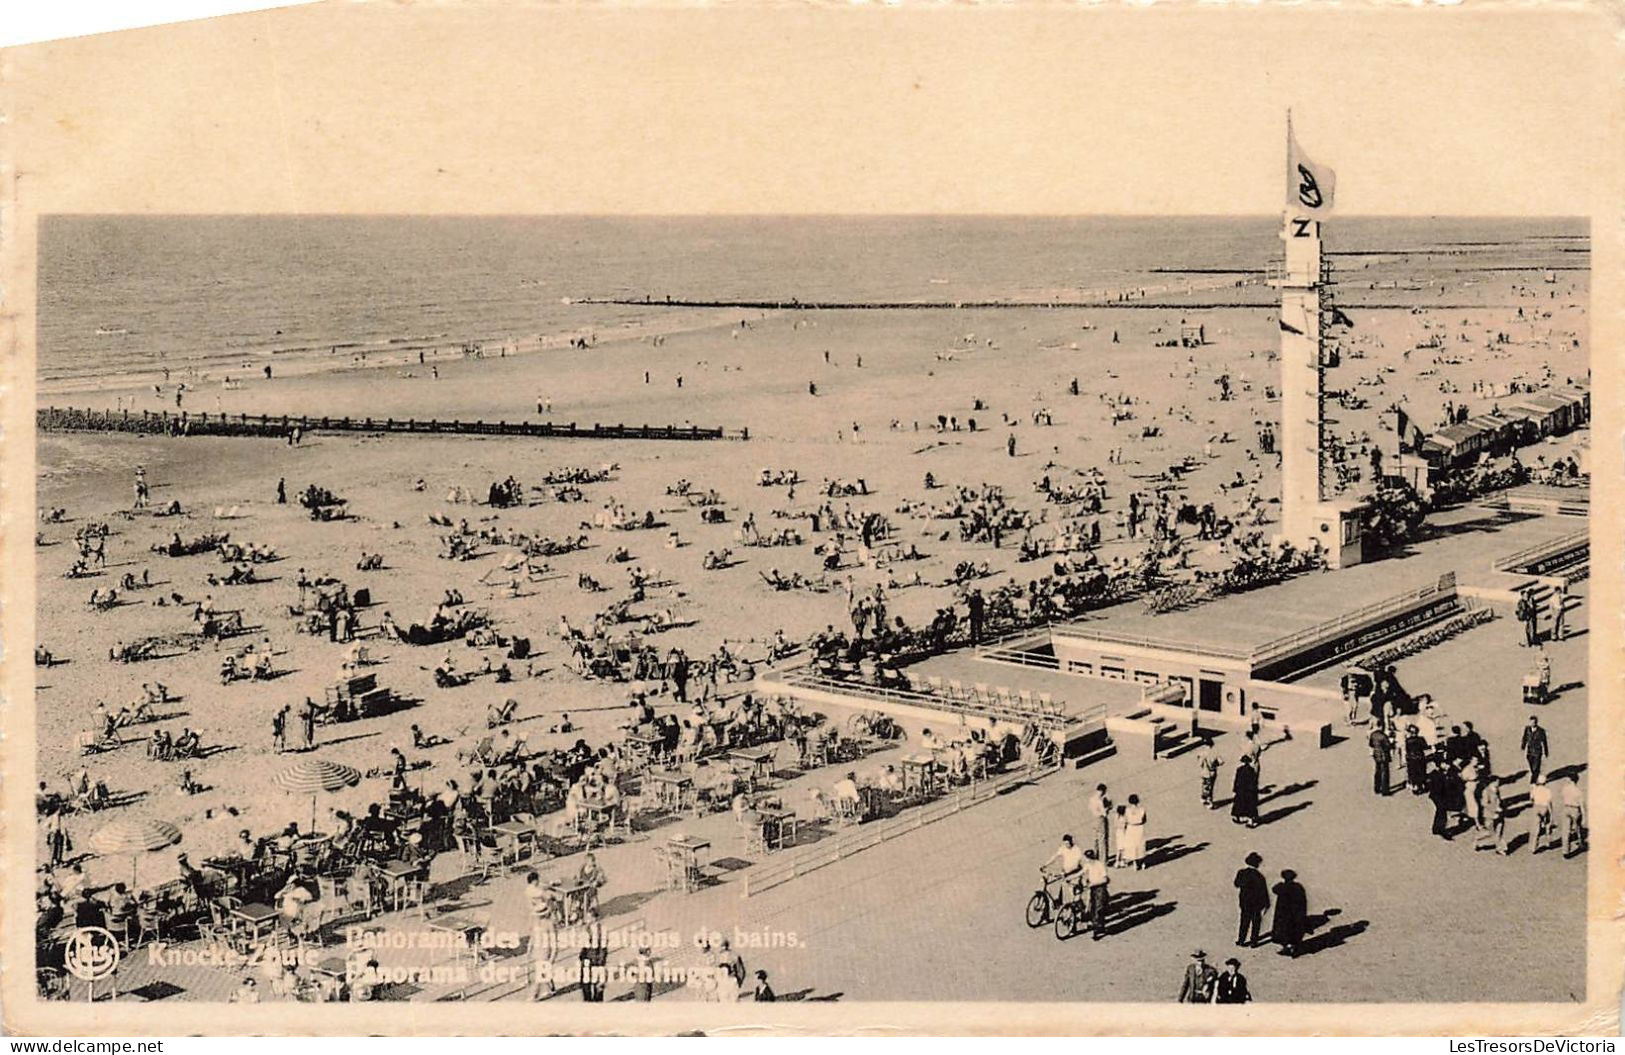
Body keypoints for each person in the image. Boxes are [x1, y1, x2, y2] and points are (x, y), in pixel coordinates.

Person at [1233, 852, 1270, 947]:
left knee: (1244, 921)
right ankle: (1254, 941)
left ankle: (1241, 940)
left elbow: (1236, 884)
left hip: (1244, 901)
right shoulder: (1259, 876)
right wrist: (1266, 903)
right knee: (1256, 922)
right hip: (1257, 903)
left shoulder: (1241, 872)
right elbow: (1264, 891)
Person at [1270, 869, 1309, 957]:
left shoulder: (1282, 887)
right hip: (1295, 914)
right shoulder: (1298, 887)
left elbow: (1274, 889)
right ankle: (1292, 947)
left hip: (1283, 915)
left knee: (1284, 932)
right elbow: (1303, 902)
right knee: (1293, 931)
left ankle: (1286, 947)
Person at [1042, 834, 1085, 906]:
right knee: (1062, 887)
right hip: (1066, 872)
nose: (1066, 845)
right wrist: (1045, 865)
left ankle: (1078, 908)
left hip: (1075, 873)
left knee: (1073, 893)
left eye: (1068, 843)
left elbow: (1077, 863)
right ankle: (1063, 904)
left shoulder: (1076, 849)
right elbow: (1055, 857)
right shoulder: (1063, 848)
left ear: (1071, 842)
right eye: (1065, 843)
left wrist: (1068, 872)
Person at [1081, 849, 1109, 940]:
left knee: (1098, 909)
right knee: (1093, 908)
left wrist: (1094, 883)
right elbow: (1081, 872)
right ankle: (1099, 927)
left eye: (1086, 858)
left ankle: (1096, 931)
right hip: (1093, 889)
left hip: (1100, 890)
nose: (1085, 860)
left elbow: (1105, 880)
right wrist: (1069, 878)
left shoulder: (1099, 865)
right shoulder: (1088, 864)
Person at [1475, 778, 1509, 855]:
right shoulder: (1486, 792)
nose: (1497, 784)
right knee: (1490, 832)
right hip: (1489, 815)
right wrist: (1494, 809)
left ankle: (1501, 848)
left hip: (1499, 815)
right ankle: (1478, 840)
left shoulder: (1497, 790)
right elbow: (1484, 804)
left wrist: (1503, 808)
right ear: (1490, 783)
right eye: (1495, 782)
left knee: (1499, 832)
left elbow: (1499, 801)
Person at [1559, 775, 1586, 857]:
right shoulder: (1578, 791)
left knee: (1565, 830)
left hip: (1566, 808)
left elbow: (1563, 797)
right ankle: (1580, 843)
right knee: (1578, 827)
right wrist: (1584, 815)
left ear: (1570, 780)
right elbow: (1581, 805)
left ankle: (1565, 851)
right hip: (1575, 809)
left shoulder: (1565, 789)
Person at [1230, 756, 1259, 828]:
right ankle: (1250, 821)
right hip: (1249, 791)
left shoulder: (1239, 769)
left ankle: (1237, 817)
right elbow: (1253, 782)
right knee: (1250, 806)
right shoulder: (1251, 770)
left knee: (1238, 803)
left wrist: (1235, 788)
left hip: (1241, 790)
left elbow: (1236, 780)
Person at [1120, 795, 1148, 870]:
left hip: (1131, 828)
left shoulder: (1127, 810)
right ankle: (1143, 863)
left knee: (1133, 846)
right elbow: (1144, 820)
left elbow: (1125, 820)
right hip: (1139, 828)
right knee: (1140, 845)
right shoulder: (1142, 809)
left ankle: (1135, 863)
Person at [1529, 775, 1556, 853]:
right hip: (1545, 808)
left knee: (1536, 827)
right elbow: (1549, 802)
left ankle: (1533, 847)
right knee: (1548, 825)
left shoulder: (1534, 789)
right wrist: (1551, 813)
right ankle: (1548, 842)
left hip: (1537, 807)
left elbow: (1531, 799)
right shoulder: (1548, 790)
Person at [1086, 784, 1112, 863]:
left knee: (1095, 839)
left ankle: (1095, 855)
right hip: (1100, 819)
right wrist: (1108, 807)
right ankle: (1103, 859)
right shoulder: (1100, 801)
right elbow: (1104, 813)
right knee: (1102, 839)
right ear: (1102, 791)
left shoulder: (1092, 798)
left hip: (1093, 819)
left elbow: (1089, 808)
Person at [1195, 737, 1223, 809]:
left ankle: (1203, 797)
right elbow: (1221, 762)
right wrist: (1215, 764)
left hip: (1204, 772)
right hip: (1212, 772)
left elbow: (1200, 764)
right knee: (1210, 787)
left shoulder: (1202, 753)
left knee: (1204, 785)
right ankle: (1209, 801)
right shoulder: (1214, 753)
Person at [1521, 716, 1550, 783]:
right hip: (1530, 751)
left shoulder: (1541, 731)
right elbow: (1524, 738)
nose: (1533, 724)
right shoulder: (1527, 729)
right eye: (1531, 722)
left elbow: (1544, 742)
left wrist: (1546, 752)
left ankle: (1533, 780)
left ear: (1536, 722)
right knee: (1531, 765)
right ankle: (1535, 774)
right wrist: (1523, 746)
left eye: (1534, 722)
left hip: (1537, 752)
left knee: (1536, 767)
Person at [1368, 725, 1393, 795]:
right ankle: (1385, 790)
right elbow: (1388, 746)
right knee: (1385, 773)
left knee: (1377, 772)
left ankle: (1377, 788)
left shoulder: (1373, 735)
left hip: (1376, 755)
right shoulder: (1383, 736)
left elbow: (1371, 744)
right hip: (1384, 756)